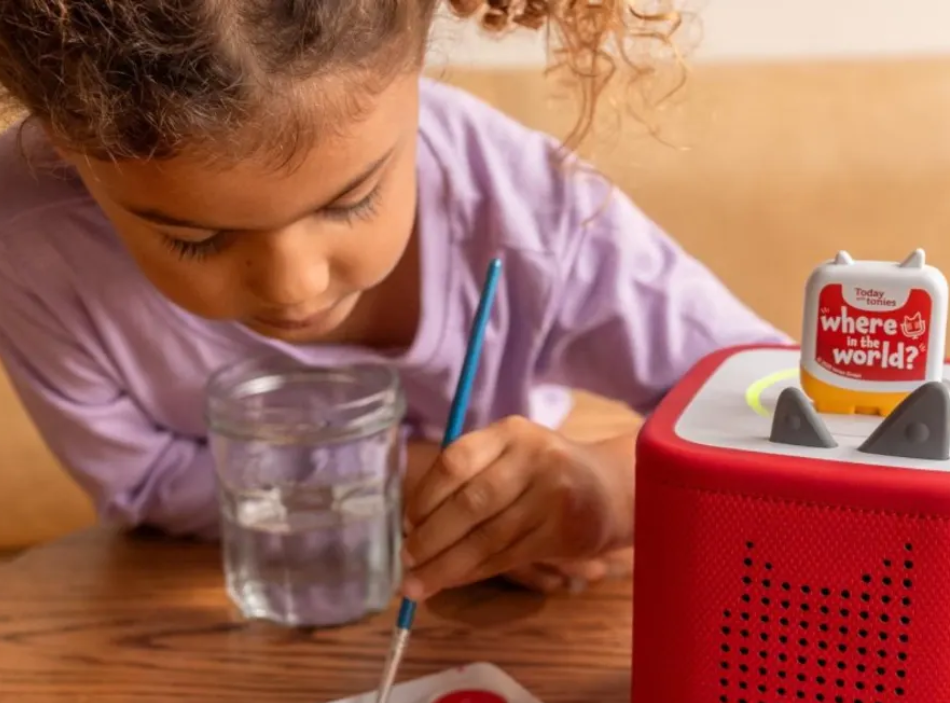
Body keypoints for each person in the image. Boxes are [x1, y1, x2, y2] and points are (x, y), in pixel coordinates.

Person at [0, 0, 784, 601]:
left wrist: (614, 491)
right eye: (197, 239)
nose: (295, 286)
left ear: (415, 75)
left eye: (349, 202)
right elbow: (141, 481)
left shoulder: (526, 208)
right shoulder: (29, 246)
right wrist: (409, 477)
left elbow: (782, 415)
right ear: (66, 145)